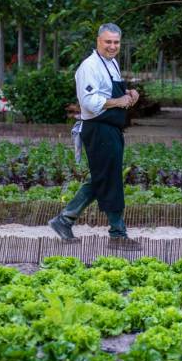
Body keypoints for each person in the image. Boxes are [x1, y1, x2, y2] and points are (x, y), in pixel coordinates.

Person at [49, 23, 141, 250]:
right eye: (108, 42)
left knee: (104, 177)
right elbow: (89, 103)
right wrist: (119, 102)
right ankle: (117, 234)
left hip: (111, 129)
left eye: (116, 42)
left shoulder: (111, 63)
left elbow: (108, 91)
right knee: (108, 178)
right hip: (98, 129)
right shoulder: (88, 66)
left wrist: (129, 93)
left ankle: (65, 220)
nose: (112, 46)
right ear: (98, 41)